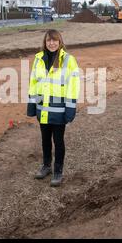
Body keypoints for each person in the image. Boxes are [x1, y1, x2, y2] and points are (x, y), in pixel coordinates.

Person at [27, 29, 80, 187]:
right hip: (43, 109)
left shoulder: (68, 60)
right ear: (45, 42)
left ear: (59, 42)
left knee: (58, 141)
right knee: (45, 139)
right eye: (49, 40)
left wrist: (70, 108)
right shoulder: (38, 59)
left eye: (54, 40)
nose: (51, 43)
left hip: (59, 110)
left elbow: (73, 85)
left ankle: (58, 171)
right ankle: (46, 166)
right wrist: (32, 103)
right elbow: (34, 82)